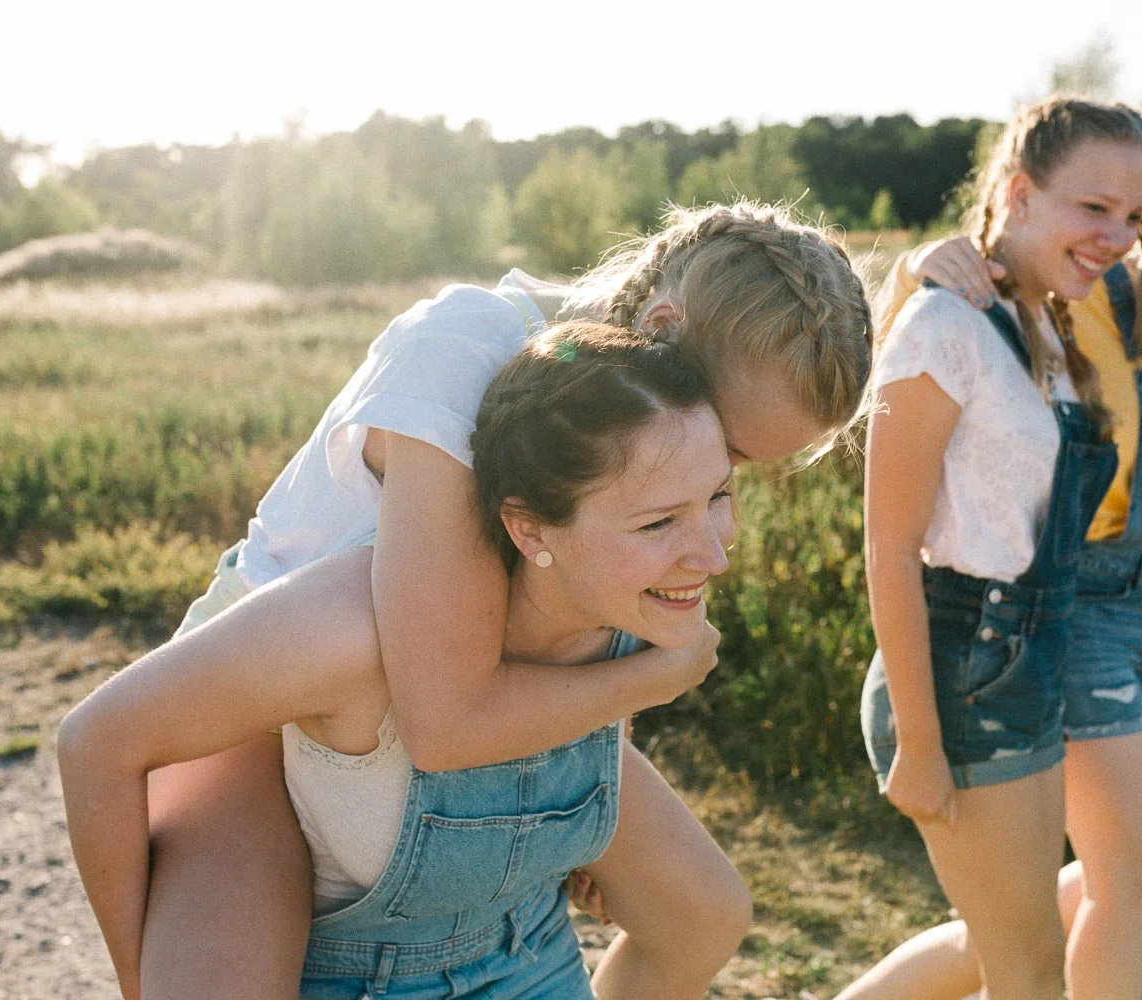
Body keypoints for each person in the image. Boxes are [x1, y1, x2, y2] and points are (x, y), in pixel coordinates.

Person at [121, 201, 874, 1000]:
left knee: (706, 913)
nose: (714, 484)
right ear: (661, 323)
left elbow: (583, 604)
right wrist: (654, 680)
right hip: (260, 705)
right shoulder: (460, 356)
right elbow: (445, 714)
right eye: (730, 448)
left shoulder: (632, 397)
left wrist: (569, 808)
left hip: (441, 686)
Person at [60, 323, 737, 1000]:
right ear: (529, 530)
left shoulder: (633, 607)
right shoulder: (349, 629)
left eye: (718, 497)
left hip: (525, 953)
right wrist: (144, 977)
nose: (713, 556)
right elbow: (96, 739)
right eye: (658, 524)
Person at [838, 117, 1142, 1000]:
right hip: (1066, 607)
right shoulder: (1087, 293)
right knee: (1110, 894)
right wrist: (914, 265)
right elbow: (967, 304)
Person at [851, 97, 1142, 1000]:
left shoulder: (1053, 326)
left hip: (1024, 663)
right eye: (1094, 208)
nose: (1119, 236)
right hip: (959, 675)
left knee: (999, 955)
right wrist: (919, 739)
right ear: (1020, 193)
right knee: (1029, 973)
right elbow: (888, 545)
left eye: (1134, 216)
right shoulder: (946, 326)